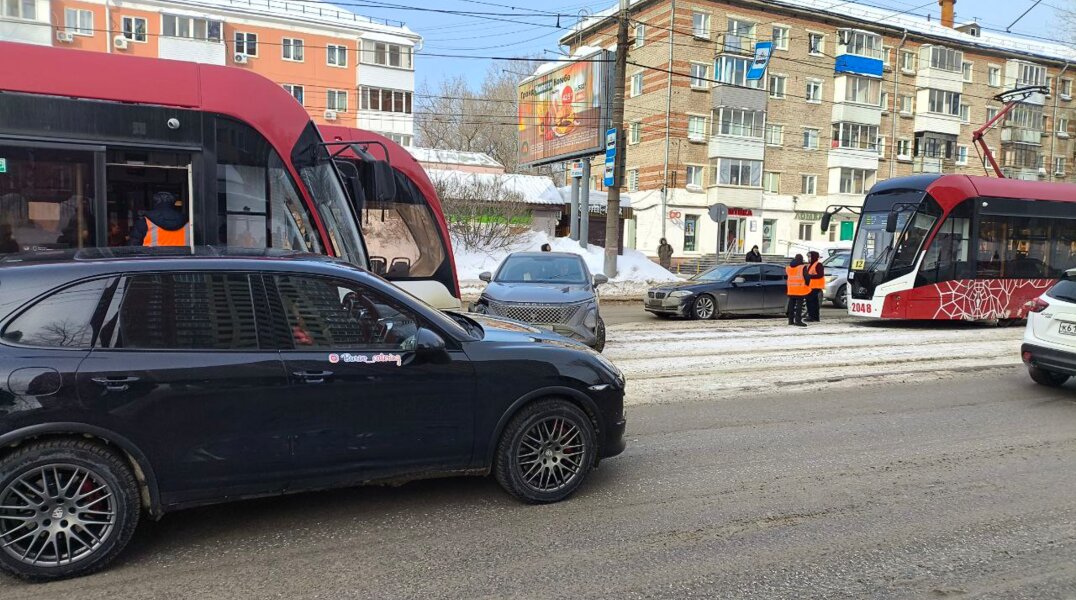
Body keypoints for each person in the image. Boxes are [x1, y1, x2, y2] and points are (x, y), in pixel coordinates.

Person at [786, 254, 810, 327]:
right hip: (799, 289)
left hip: (791, 289)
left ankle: (790, 320)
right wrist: (807, 284)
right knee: (799, 306)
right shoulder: (802, 267)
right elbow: (807, 278)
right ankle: (798, 321)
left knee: (791, 305)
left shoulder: (788, 267)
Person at [805, 250, 825, 322]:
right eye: (808, 257)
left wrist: (809, 276)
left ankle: (812, 316)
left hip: (816, 286)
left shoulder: (818, 265)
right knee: (812, 302)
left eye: (810, 257)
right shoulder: (809, 265)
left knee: (811, 302)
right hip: (810, 286)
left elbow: (820, 275)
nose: (809, 258)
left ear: (813, 257)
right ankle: (813, 316)